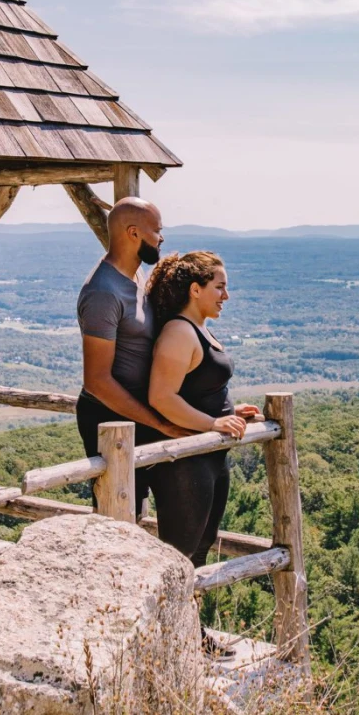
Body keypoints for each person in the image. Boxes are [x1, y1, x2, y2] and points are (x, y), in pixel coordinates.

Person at [145, 251, 260, 567]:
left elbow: (195, 390)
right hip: (186, 463)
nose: (226, 295)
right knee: (179, 555)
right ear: (195, 290)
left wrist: (230, 413)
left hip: (208, 457)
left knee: (200, 548)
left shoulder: (198, 328)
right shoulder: (179, 332)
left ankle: (188, 615)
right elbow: (162, 397)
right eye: (219, 287)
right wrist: (213, 423)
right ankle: (167, 616)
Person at [76, 197, 186, 517]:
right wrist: (159, 422)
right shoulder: (103, 292)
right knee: (120, 515)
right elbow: (97, 381)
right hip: (110, 419)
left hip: (138, 412)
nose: (161, 238)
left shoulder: (135, 277)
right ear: (134, 233)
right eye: (157, 231)